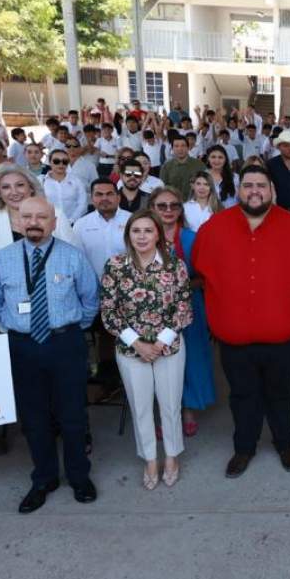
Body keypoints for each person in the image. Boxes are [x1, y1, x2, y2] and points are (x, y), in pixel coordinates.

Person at [194, 165, 290, 476]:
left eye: (261, 185)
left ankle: (285, 443)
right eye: (248, 185)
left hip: (283, 337)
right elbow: (199, 270)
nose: (254, 191)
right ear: (238, 190)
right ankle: (244, 447)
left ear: (271, 190)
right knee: (242, 395)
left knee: (282, 392)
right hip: (234, 338)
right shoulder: (214, 228)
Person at [0, 196, 100, 513]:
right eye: (27, 216)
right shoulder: (2, 259)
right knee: (34, 418)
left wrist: (68, 329)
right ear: (17, 222)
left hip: (65, 343)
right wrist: (18, 328)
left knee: (73, 415)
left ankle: (79, 477)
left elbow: (90, 300)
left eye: (42, 217)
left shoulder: (73, 257)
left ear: (53, 221)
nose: (34, 222)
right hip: (23, 346)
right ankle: (43, 479)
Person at [99, 210, 194, 490]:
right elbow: (108, 310)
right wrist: (138, 343)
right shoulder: (116, 266)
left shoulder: (174, 265)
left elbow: (184, 306)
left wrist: (161, 342)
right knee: (141, 408)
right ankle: (150, 459)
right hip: (131, 350)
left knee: (170, 405)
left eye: (147, 230)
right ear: (128, 234)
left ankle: (172, 456)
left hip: (170, 346)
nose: (142, 236)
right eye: (136, 230)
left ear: (158, 234)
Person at [0, 164, 79, 330]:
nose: (14, 192)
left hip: (58, 311)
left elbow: (76, 262)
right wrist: (21, 285)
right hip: (7, 315)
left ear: (31, 188)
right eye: (6, 187)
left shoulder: (56, 214)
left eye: (20, 185)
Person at [147, 187, 217, 437]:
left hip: (190, 306)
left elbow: (206, 276)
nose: (168, 210)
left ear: (180, 209)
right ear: (152, 208)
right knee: (160, 359)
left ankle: (189, 409)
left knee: (192, 357)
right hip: (153, 311)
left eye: (173, 206)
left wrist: (180, 285)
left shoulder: (191, 238)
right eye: (161, 205)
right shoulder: (144, 236)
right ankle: (167, 412)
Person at [72, 179, 128, 277]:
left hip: (128, 285)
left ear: (118, 198)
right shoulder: (81, 225)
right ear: (92, 199)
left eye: (109, 194)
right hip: (92, 286)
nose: (104, 198)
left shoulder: (132, 221)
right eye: (99, 194)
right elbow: (77, 260)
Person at [41, 147, 87, 222]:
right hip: (48, 223)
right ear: (49, 162)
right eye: (56, 161)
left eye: (65, 161)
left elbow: (83, 203)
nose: (61, 164)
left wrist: (71, 220)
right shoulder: (41, 181)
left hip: (73, 224)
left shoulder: (76, 181)